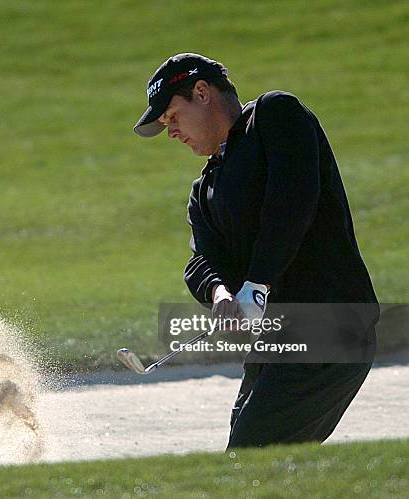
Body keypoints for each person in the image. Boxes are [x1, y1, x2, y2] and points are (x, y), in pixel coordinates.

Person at [133, 53, 379, 448]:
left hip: (333, 325)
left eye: (172, 117)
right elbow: (202, 262)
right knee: (255, 460)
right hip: (278, 338)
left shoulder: (274, 116)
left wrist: (257, 283)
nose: (171, 133)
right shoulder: (205, 190)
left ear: (201, 92)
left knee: (250, 454)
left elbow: (292, 201)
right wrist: (223, 294)